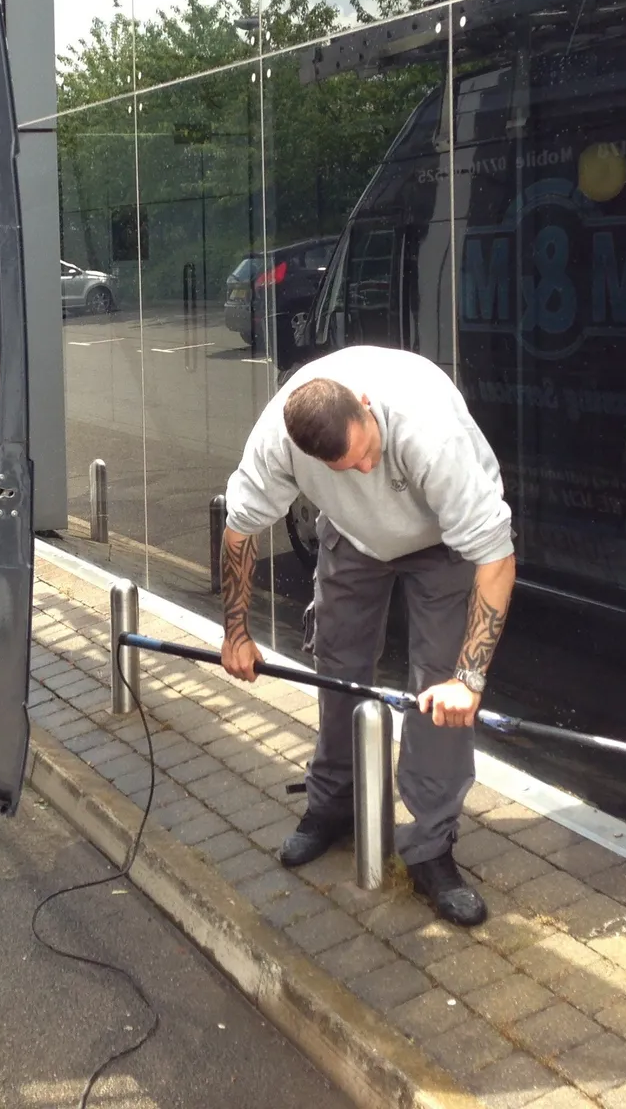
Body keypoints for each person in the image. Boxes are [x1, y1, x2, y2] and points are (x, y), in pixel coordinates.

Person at [220, 346, 515, 927]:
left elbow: (496, 559)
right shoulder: (278, 439)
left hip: (442, 541)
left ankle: (430, 847)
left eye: (365, 456)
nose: (360, 471)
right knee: (337, 661)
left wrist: (469, 677)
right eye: (341, 468)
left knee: (437, 691)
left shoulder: (430, 432)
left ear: (364, 404)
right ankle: (334, 804)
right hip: (352, 536)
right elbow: (239, 531)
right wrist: (236, 632)